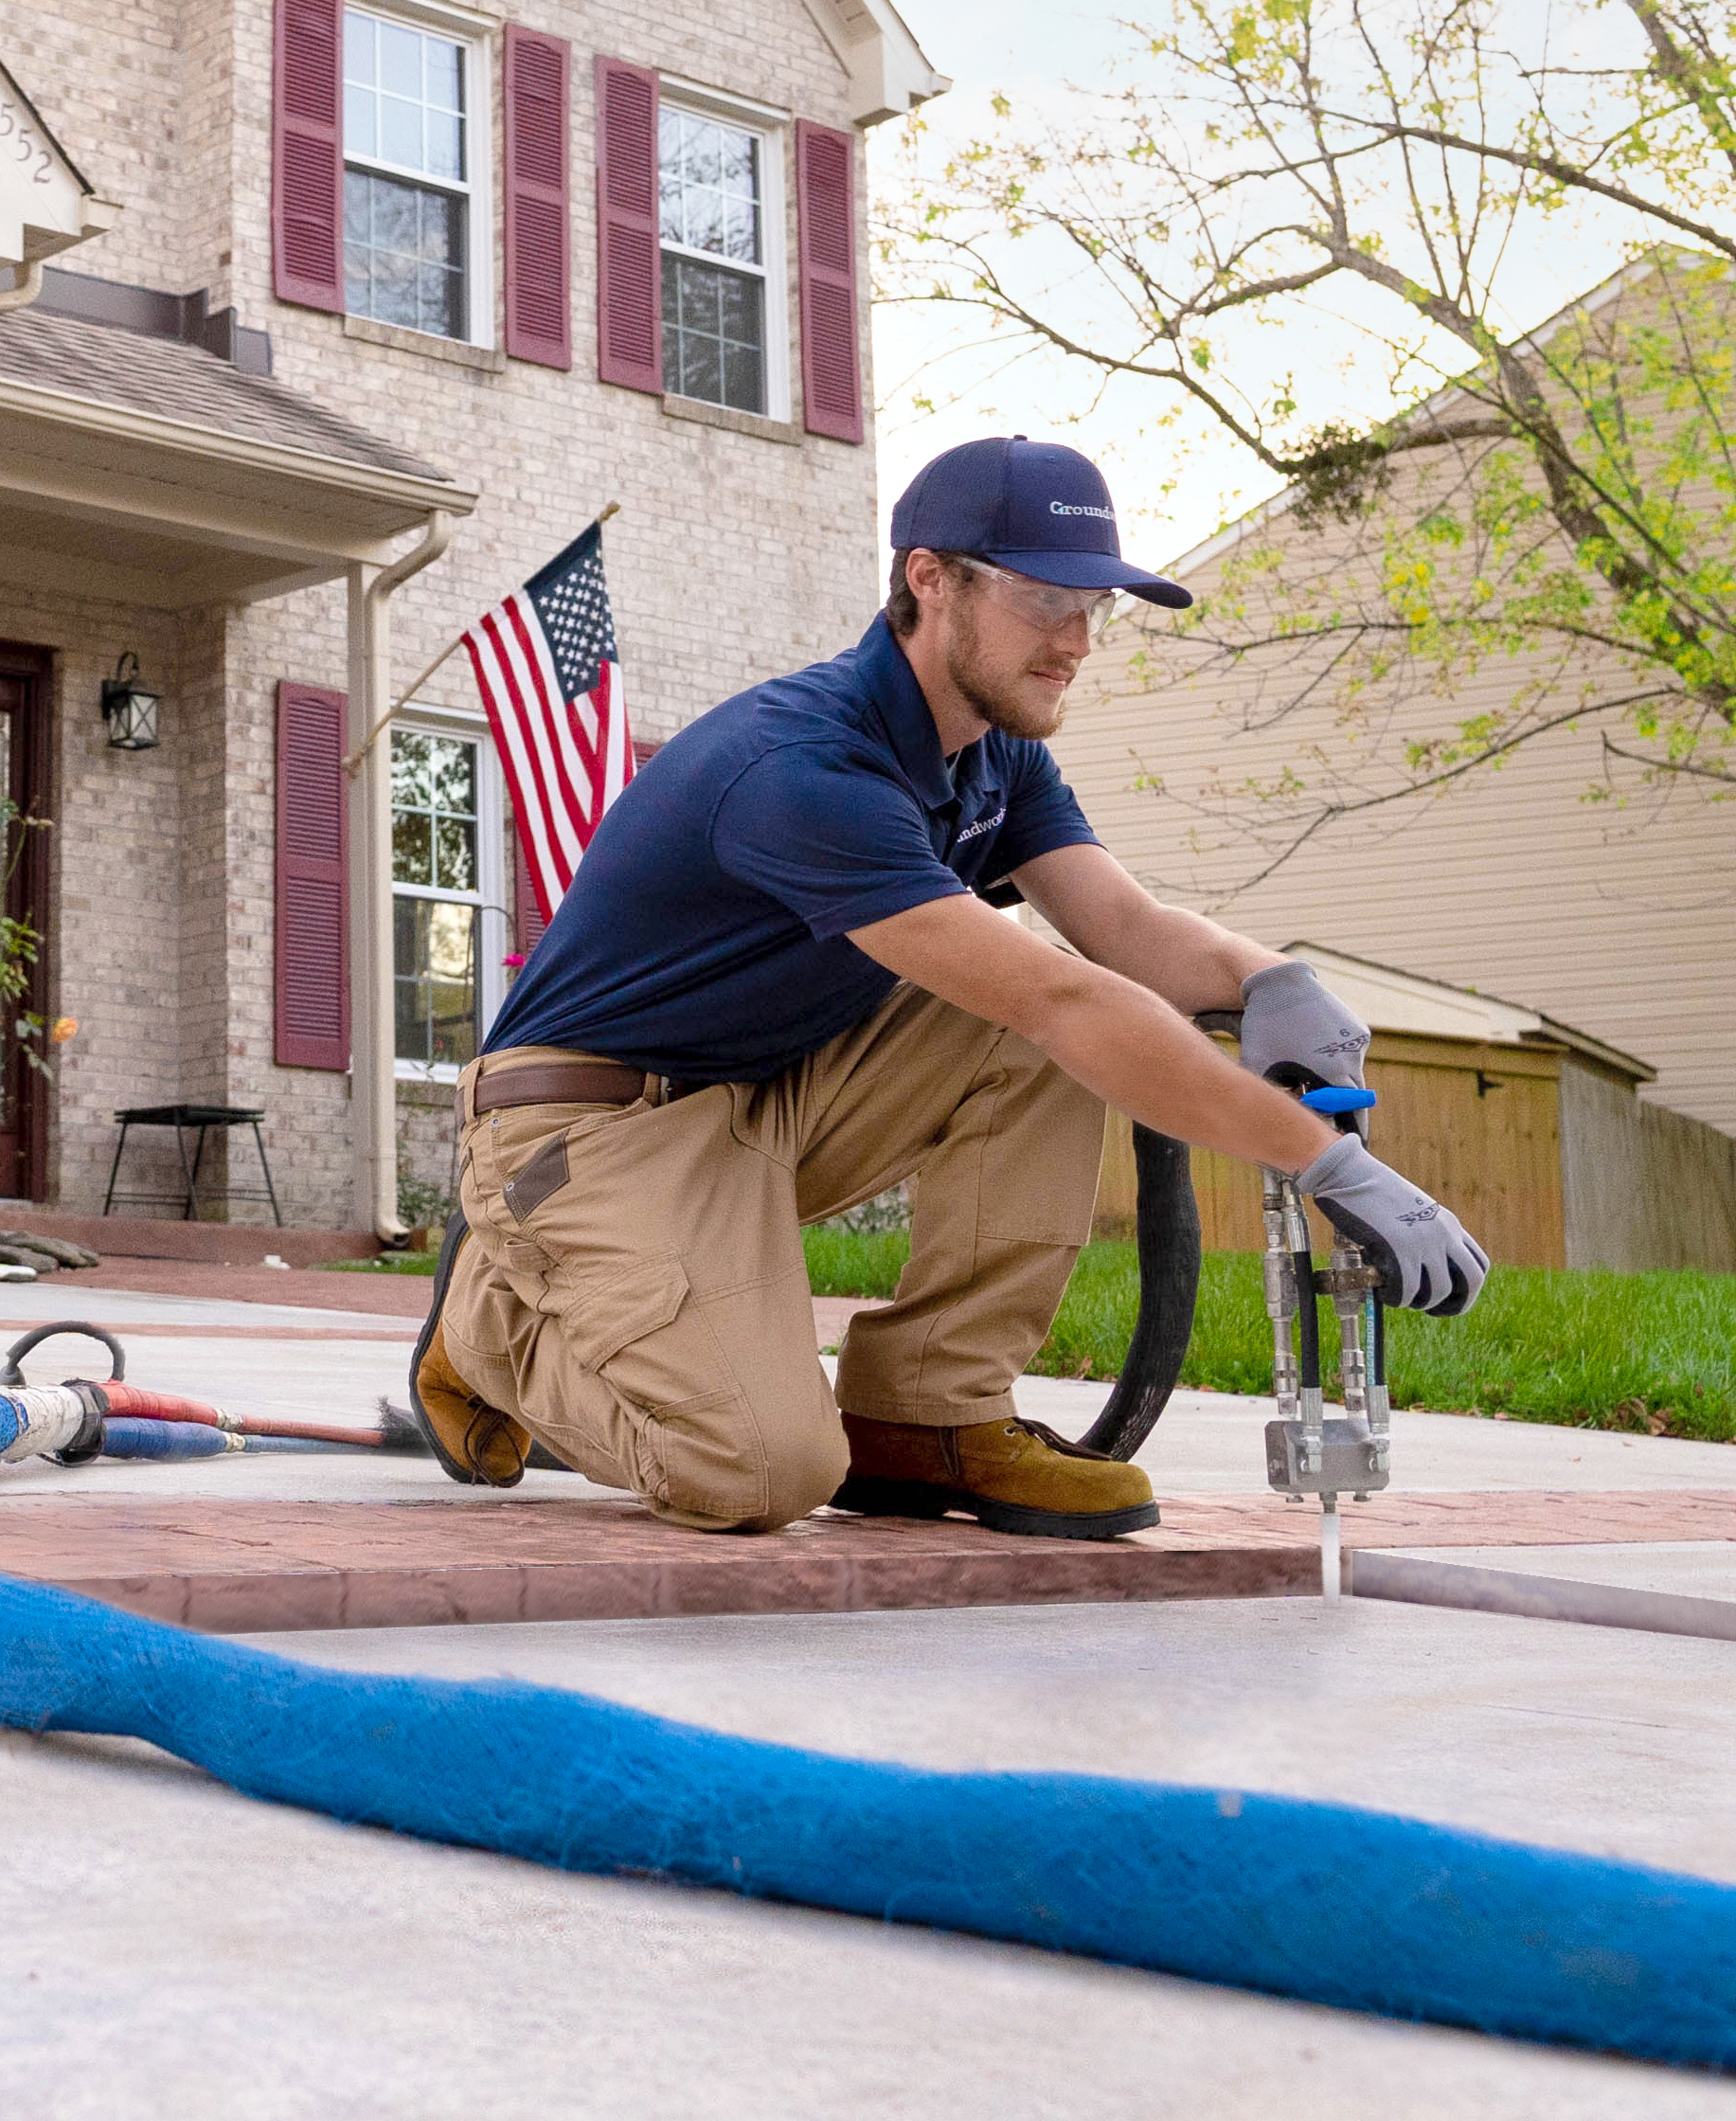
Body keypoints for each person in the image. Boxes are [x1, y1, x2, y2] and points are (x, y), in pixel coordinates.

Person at [408, 434, 1491, 1539]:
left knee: (1051, 1022)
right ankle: (493, 1331)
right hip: (584, 1132)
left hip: (763, 1093)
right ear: (929, 579)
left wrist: (1272, 978)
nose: (1074, 641)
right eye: (1043, 599)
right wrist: (1316, 1156)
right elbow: (1064, 1002)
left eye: (1093, 606)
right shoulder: (804, 768)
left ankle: (927, 1414)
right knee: (756, 1470)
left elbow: (1125, 931)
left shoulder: (990, 750)